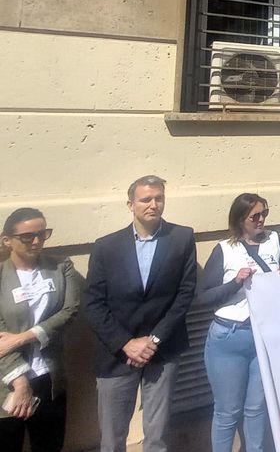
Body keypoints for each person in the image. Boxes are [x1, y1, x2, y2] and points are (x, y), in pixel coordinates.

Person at [83, 175, 197, 452]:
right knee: (112, 439)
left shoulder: (182, 237)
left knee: (157, 437)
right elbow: (92, 303)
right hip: (117, 353)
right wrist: (126, 343)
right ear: (130, 204)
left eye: (159, 198)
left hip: (163, 349)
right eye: (146, 199)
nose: (153, 205)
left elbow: (185, 294)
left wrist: (154, 339)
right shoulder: (106, 246)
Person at [197, 194, 280, 452]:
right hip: (230, 335)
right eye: (255, 216)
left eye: (265, 213)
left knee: (257, 408)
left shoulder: (275, 241)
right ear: (240, 220)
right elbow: (203, 297)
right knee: (228, 411)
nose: (261, 219)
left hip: (264, 336)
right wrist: (235, 283)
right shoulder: (224, 249)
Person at [0, 208, 82, 452]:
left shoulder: (61, 267)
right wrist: (20, 382)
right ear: (7, 241)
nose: (36, 241)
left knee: (49, 445)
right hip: (7, 381)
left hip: (50, 377)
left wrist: (24, 337)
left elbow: (70, 311)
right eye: (27, 236)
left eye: (42, 233)